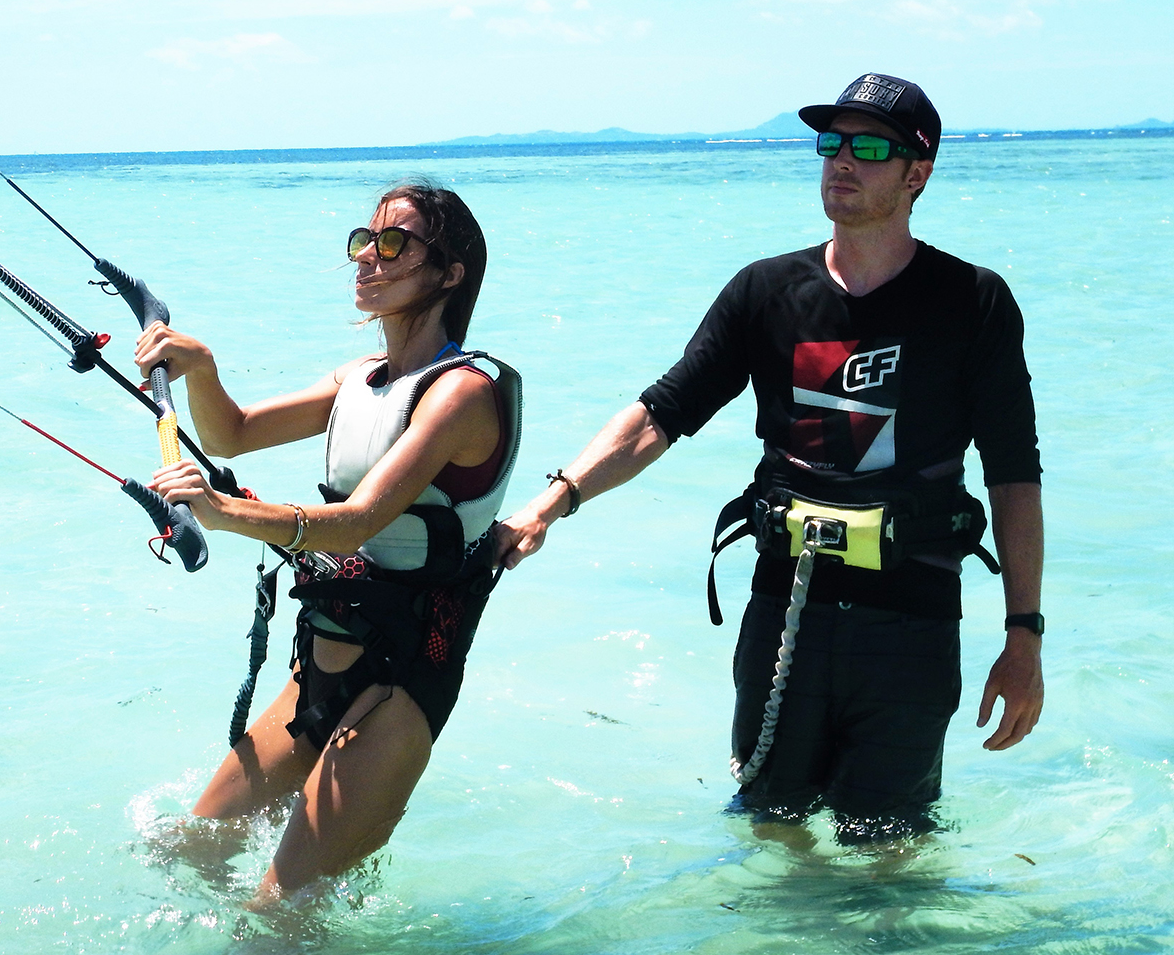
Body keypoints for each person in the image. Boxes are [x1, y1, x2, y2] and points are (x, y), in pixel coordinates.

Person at [497, 73, 1044, 841]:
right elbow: (661, 414)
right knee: (771, 833)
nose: (841, 160)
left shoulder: (973, 301)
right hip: (786, 611)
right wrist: (549, 504)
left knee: (891, 849)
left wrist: (1024, 635)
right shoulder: (765, 291)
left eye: (869, 147)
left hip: (911, 624)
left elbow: (1014, 473)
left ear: (918, 172)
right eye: (831, 141)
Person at [140, 181, 520, 903]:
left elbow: (360, 521)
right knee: (185, 850)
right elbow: (233, 432)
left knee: (275, 918)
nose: (367, 260)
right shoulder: (358, 380)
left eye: (393, 244)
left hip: (401, 685)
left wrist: (221, 511)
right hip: (324, 661)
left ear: (449, 273)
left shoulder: (462, 393)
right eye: (363, 242)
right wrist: (201, 369)